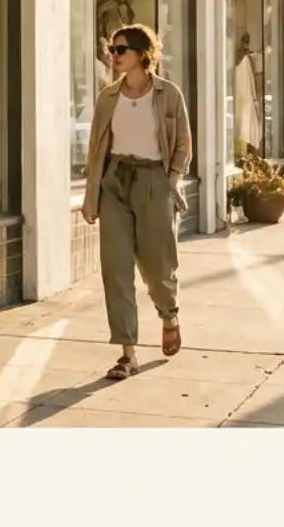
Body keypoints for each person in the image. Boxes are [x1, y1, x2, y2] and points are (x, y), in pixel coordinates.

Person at [80, 23, 193, 381]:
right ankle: (127, 354)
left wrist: (170, 181)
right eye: (111, 50)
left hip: (153, 182)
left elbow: (183, 145)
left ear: (143, 54)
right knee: (116, 269)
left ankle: (169, 313)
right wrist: (91, 197)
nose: (113, 56)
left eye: (120, 49)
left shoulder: (168, 94)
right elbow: (96, 149)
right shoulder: (107, 97)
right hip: (114, 182)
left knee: (158, 269)